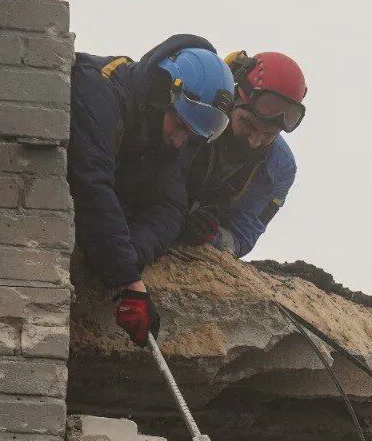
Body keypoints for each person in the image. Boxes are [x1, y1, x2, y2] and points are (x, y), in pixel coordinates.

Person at [68, 34, 235, 346]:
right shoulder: (98, 92)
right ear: (162, 90)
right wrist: (126, 279)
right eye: (182, 125)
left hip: (109, 243)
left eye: (192, 134)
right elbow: (90, 186)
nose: (179, 141)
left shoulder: (161, 133)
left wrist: (130, 252)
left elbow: (170, 208)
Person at [177, 50, 307, 257]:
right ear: (231, 101)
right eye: (247, 123)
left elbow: (242, 238)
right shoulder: (194, 113)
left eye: (269, 134)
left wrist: (209, 236)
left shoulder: (281, 167)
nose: (255, 141)